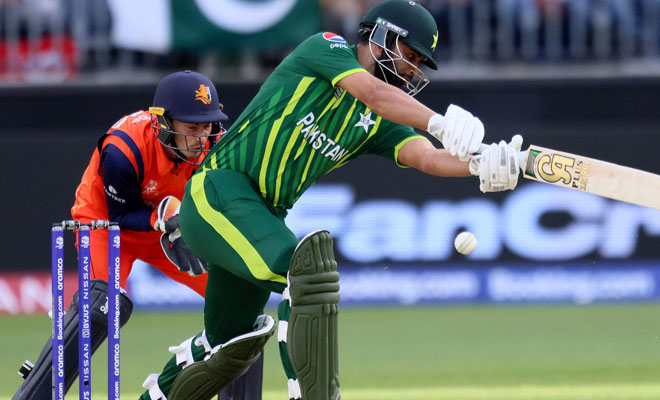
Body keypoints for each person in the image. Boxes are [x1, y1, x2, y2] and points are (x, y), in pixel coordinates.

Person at [138, 1, 522, 399]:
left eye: (418, 64)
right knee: (307, 273)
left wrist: (483, 163)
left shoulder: (380, 119)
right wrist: (439, 122)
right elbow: (372, 92)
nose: (411, 69)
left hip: (260, 217)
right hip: (219, 192)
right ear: (378, 35)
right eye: (409, 55)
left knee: (226, 345)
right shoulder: (325, 47)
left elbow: (425, 157)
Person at [12, 70, 263, 400]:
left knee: (238, 306)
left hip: (169, 225)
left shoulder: (214, 150)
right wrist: (162, 216)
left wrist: (184, 223)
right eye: (191, 127)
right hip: (105, 223)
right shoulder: (123, 149)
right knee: (100, 307)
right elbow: (120, 214)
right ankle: (34, 395)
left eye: (208, 126)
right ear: (162, 123)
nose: (202, 137)